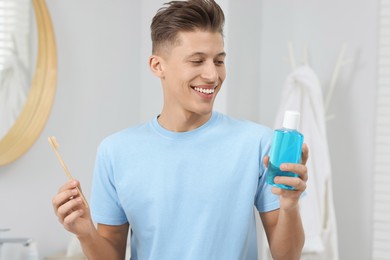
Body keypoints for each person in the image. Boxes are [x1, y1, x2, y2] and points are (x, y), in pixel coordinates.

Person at [52, 0, 309, 259]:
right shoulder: (115, 152)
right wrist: (85, 233)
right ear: (157, 66)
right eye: (197, 61)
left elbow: (286, 256)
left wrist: (289, 207)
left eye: (219, 61)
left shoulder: (258, 144)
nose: (212, 75)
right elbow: (112, 254)